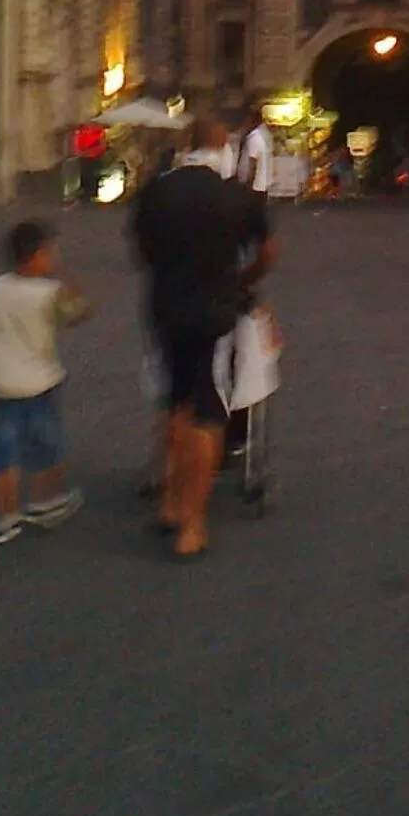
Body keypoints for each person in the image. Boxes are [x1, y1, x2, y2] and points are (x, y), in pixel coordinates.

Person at [133, 113, 277, 558]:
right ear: (224, 147)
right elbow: (268, 251)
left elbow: (142, 249)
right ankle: (193, 522)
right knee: (207, 404)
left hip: (164, 304)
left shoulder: (156, 190)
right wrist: (244, 278)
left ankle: (171, 502)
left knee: (174, 397)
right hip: (214, 308)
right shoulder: (236, 196)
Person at [0, 221, 90, 546]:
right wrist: (73, 288)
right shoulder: (50, 293)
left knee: (1, 452)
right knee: (44, 444)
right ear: (37, 256)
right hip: (39, 382)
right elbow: (78, 314)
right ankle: (44, 500)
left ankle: (3, 516)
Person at [237, 103, 273, 195]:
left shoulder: (255, 137)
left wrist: (248, 183)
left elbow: (252, 162)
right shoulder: (265, 134)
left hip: (254, 186)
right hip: (261, 184)